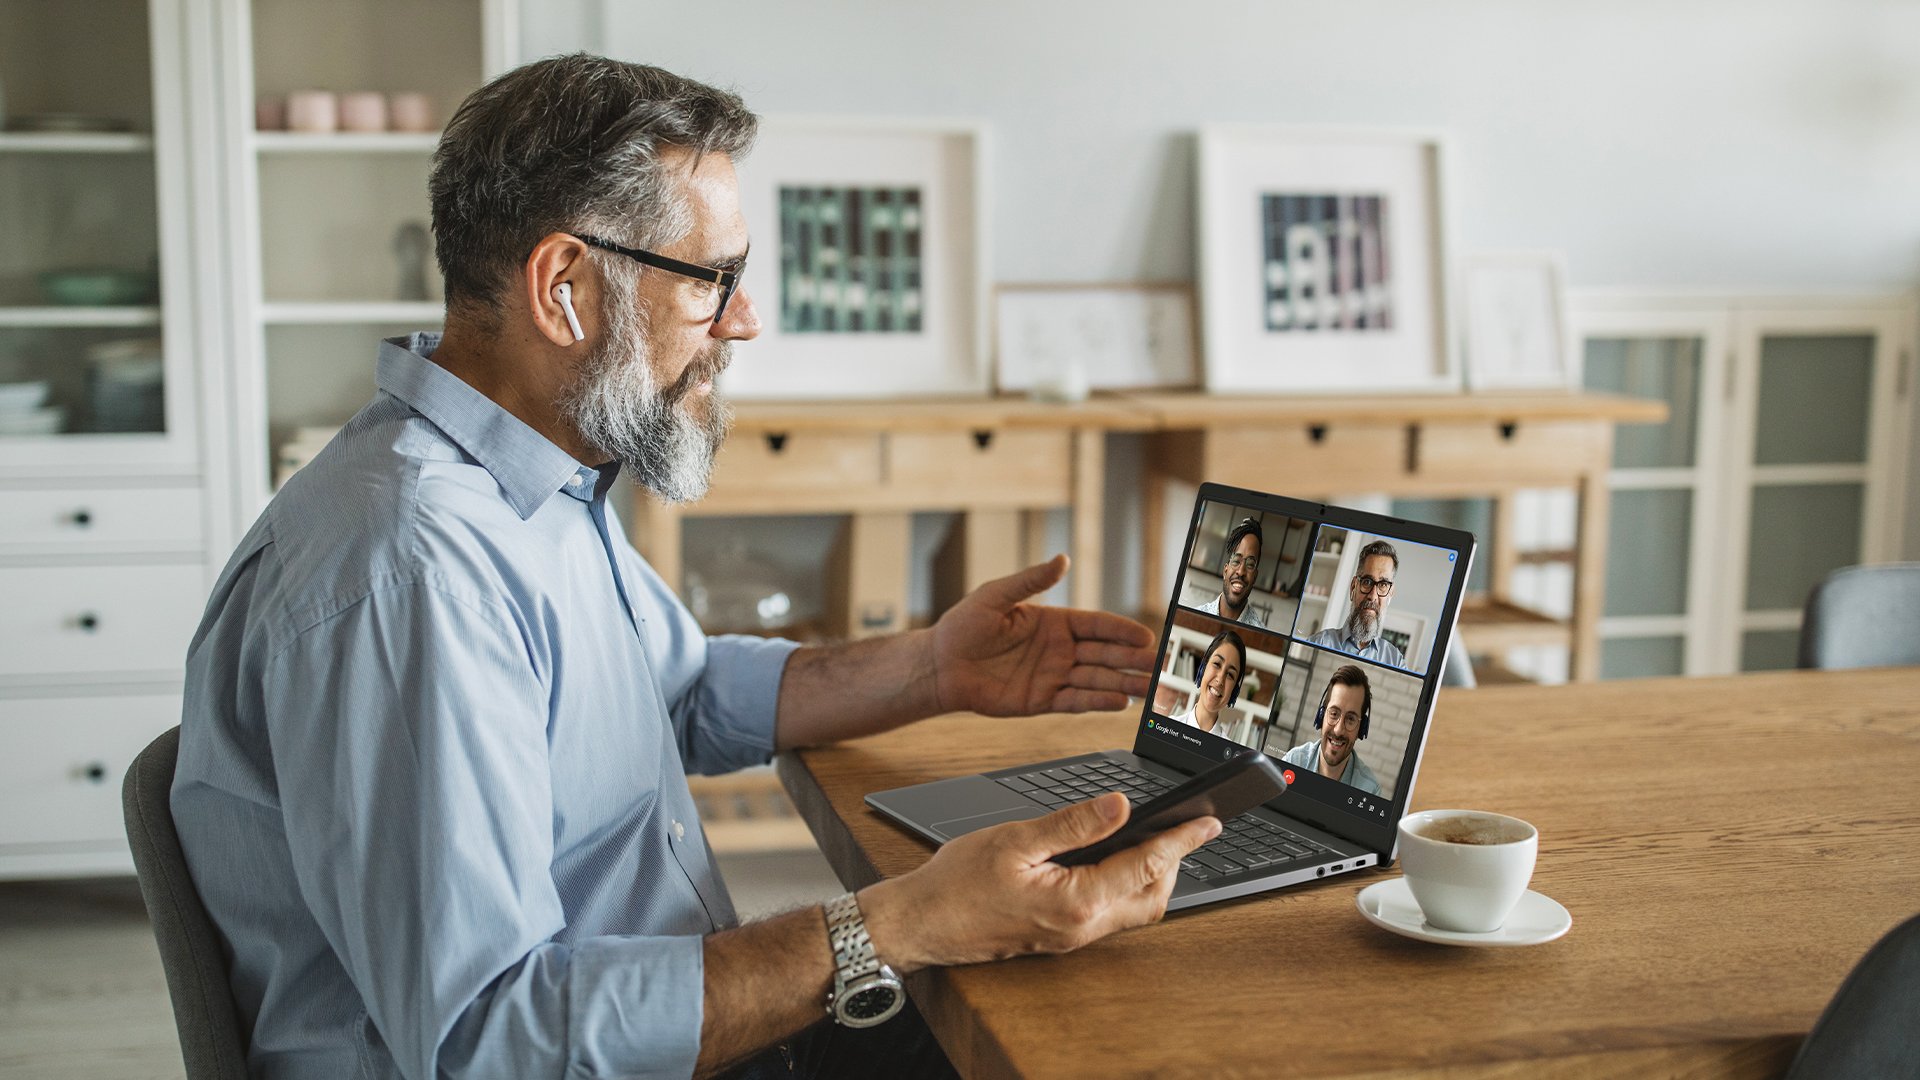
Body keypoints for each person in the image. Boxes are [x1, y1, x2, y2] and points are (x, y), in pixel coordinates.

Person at [169, 55, 1220, 1080]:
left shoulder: (536, 473)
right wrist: (904, 921)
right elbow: (488, 1045)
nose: (745, 321)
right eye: (715, 280)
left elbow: (668, 694)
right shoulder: (413, 575)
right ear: (564, 286)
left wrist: (933, 670)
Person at [1281, 665, 1383, 795]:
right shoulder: (1294, 762)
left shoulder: (1370, 790)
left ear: (1361, 729)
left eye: (1350, 719)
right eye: (1334, 714)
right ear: (1321, 716)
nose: (1338, 730)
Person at [1307, 539, 1407, 667]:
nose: (1373, 596)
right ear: (1354, 586)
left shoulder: (1395, 661)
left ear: (1390, 594)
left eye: (1383, 584)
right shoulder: (1319, 642)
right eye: (1367, 582)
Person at [1169, 627, 1256, 746]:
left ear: (1234, 690)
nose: (1220, 680)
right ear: (1203, 668)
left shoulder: (1229, 753)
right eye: (1216, 664)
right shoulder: (1168, 727)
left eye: (1230, 674)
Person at [1196, 517, 1266, 627]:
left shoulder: (1260, 630)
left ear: (1255, 577)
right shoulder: (1198, 616)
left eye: (1250, 564)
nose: (1241, 571)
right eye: (1236, 561)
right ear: (1225, 570)